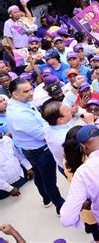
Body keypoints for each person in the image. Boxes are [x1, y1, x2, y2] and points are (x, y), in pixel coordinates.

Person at [6, 78, 64, 214]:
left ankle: (45, 198)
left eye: (31, 89)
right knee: (50, 181)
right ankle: (60, 206)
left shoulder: (21, 104)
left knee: (40, 175)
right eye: (26, 91)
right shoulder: (20, 115)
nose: (31, 93)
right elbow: (42, 135)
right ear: (15, 94)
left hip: (32, 150)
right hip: (40, 151)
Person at [0, 131, 33, 200]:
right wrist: (9, 189)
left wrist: (28, 167)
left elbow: (18, 155)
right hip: (5, 189)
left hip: (22, 177)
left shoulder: (7, 140)